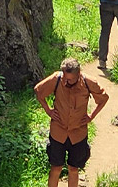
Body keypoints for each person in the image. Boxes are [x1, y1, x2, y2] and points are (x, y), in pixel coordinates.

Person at [34, 58, 108, 187]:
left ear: (78, 75)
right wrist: (48, 111)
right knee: (56, 168)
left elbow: (103, 98)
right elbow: (38, 91)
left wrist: (91, 116)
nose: (65, 81)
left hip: (78, 133)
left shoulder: (88, 82)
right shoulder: (57, 78)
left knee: (73, 169)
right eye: (64, 77)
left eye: (69, 79)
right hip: (58, 132)